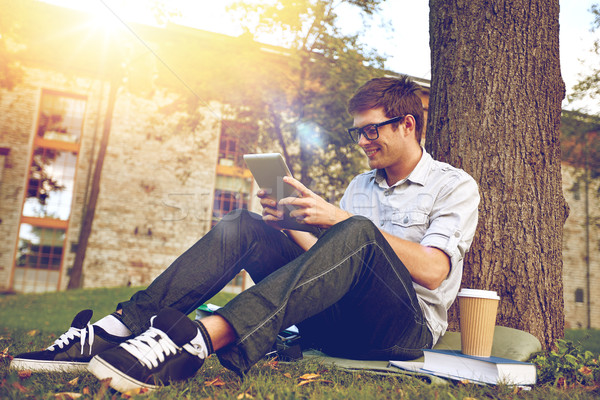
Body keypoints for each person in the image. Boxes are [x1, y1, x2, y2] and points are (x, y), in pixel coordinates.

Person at [11, 76, 480, 393]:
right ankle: (112, 331)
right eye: (356, 133)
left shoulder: (453, 185)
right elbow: (327, 261)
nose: (362, 142)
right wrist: (291, 223)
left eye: (372, 131)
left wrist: (337, 220)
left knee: (356, 228)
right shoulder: (361, 186)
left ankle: (199, 342)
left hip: (403, 330)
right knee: (247, 225)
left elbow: (435, 271)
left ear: (407, 124)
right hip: (336, 320)